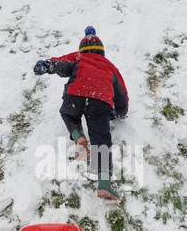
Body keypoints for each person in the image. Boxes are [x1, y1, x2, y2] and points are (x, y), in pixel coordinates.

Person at [33, 26, 129, 201]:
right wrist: (121, 112)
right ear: (102, 52)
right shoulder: (110, 67)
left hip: (75, 96)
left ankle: (79, 137)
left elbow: (62, 64)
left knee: (68, 114)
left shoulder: (78, 57)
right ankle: (104, 184)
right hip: (100, 103)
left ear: (82, 50)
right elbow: (121, 94)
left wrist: (48, 65)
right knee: (101, 141)